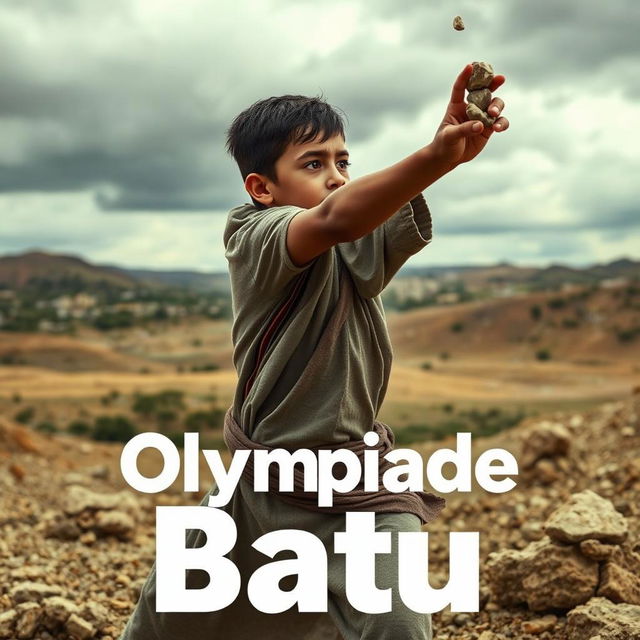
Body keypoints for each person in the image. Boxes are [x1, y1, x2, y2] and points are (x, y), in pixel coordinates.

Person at [119, 63, 508, 640]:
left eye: (343, 161)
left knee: (399, 627)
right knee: (165, 622)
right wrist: (435, 156)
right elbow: (338, 217)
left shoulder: (352, 242)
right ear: (261, 188)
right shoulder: (254, 236)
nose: (336, 176)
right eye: (313, 163)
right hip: (261, 488)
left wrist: (446, 152)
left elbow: (360, 217)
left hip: (360, 486)